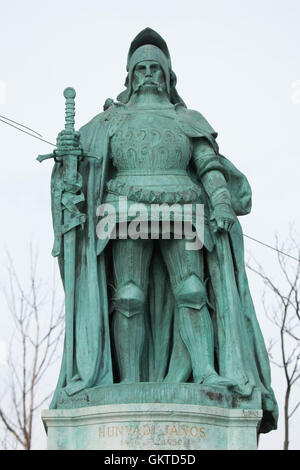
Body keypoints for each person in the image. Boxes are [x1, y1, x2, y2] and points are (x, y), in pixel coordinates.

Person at [50, 28, 278, 433]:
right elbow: (83, 162)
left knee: (191, 289)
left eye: (157, 68)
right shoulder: (109, 120)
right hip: (123, 210)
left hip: (184, 206)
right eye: (142, 69)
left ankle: (206, 372)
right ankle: (131, 381)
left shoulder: (187, 119)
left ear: (169, 76)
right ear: (130, 76)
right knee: (129, 296)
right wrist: (68, 152)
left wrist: (221, 198)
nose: (149, 74)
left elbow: (208, 162)